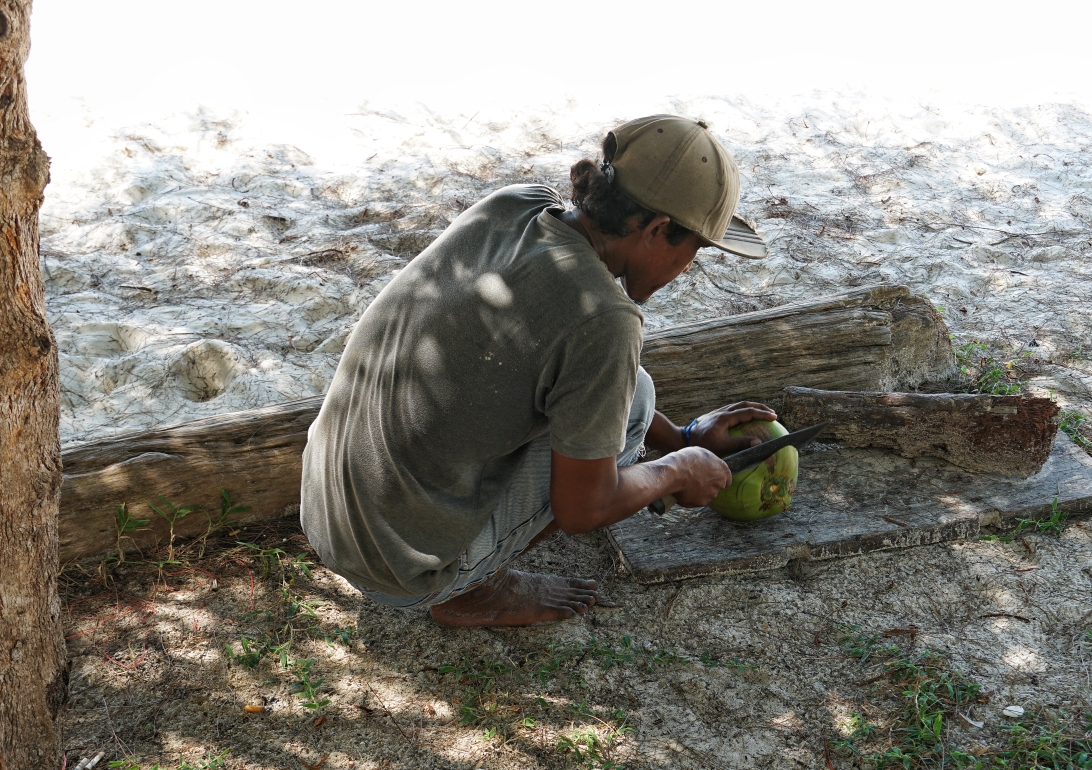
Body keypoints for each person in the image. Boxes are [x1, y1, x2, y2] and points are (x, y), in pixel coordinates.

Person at [300, 115, 774, 628]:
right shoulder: (606, 320)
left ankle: (454, 559)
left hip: (326, 509)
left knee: (631, 393)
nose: (687, 267)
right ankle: (469, 589)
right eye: (695, 250)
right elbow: (583, 509)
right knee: (626, 408)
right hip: (396, 569)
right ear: (659, 230)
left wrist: (681, 437)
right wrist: (676, 470)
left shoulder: (516, 204)